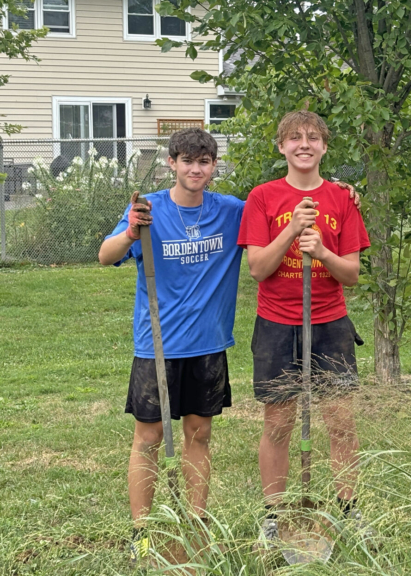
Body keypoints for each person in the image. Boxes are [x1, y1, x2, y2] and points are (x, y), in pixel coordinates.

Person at [98, 128, 243, 564]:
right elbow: (106, 256)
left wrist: (341, 191)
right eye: (187, 161)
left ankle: (196, 526)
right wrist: (129, 232)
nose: (195, 169)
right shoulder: (149, 209)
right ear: (171, 163)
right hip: (157, 345)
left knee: (199, 435)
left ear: (214, 166)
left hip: (208, 343)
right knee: (148, 438)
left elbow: (280, 209)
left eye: (204, 162)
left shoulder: (232, 211)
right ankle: (142, 533)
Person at [237, 110, 372, 547]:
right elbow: (258, 268)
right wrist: (293, 229)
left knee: (341, 422)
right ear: (281, 147)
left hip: (330, 322)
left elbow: (351, 273)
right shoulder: (263, 197)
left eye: (313, 137)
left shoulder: (341, 199)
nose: (304, 144)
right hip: (278, 324)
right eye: (294, 138)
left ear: (324, 147)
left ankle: (348, 511)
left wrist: (324, 254)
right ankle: (274, 517)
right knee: (278, 423)